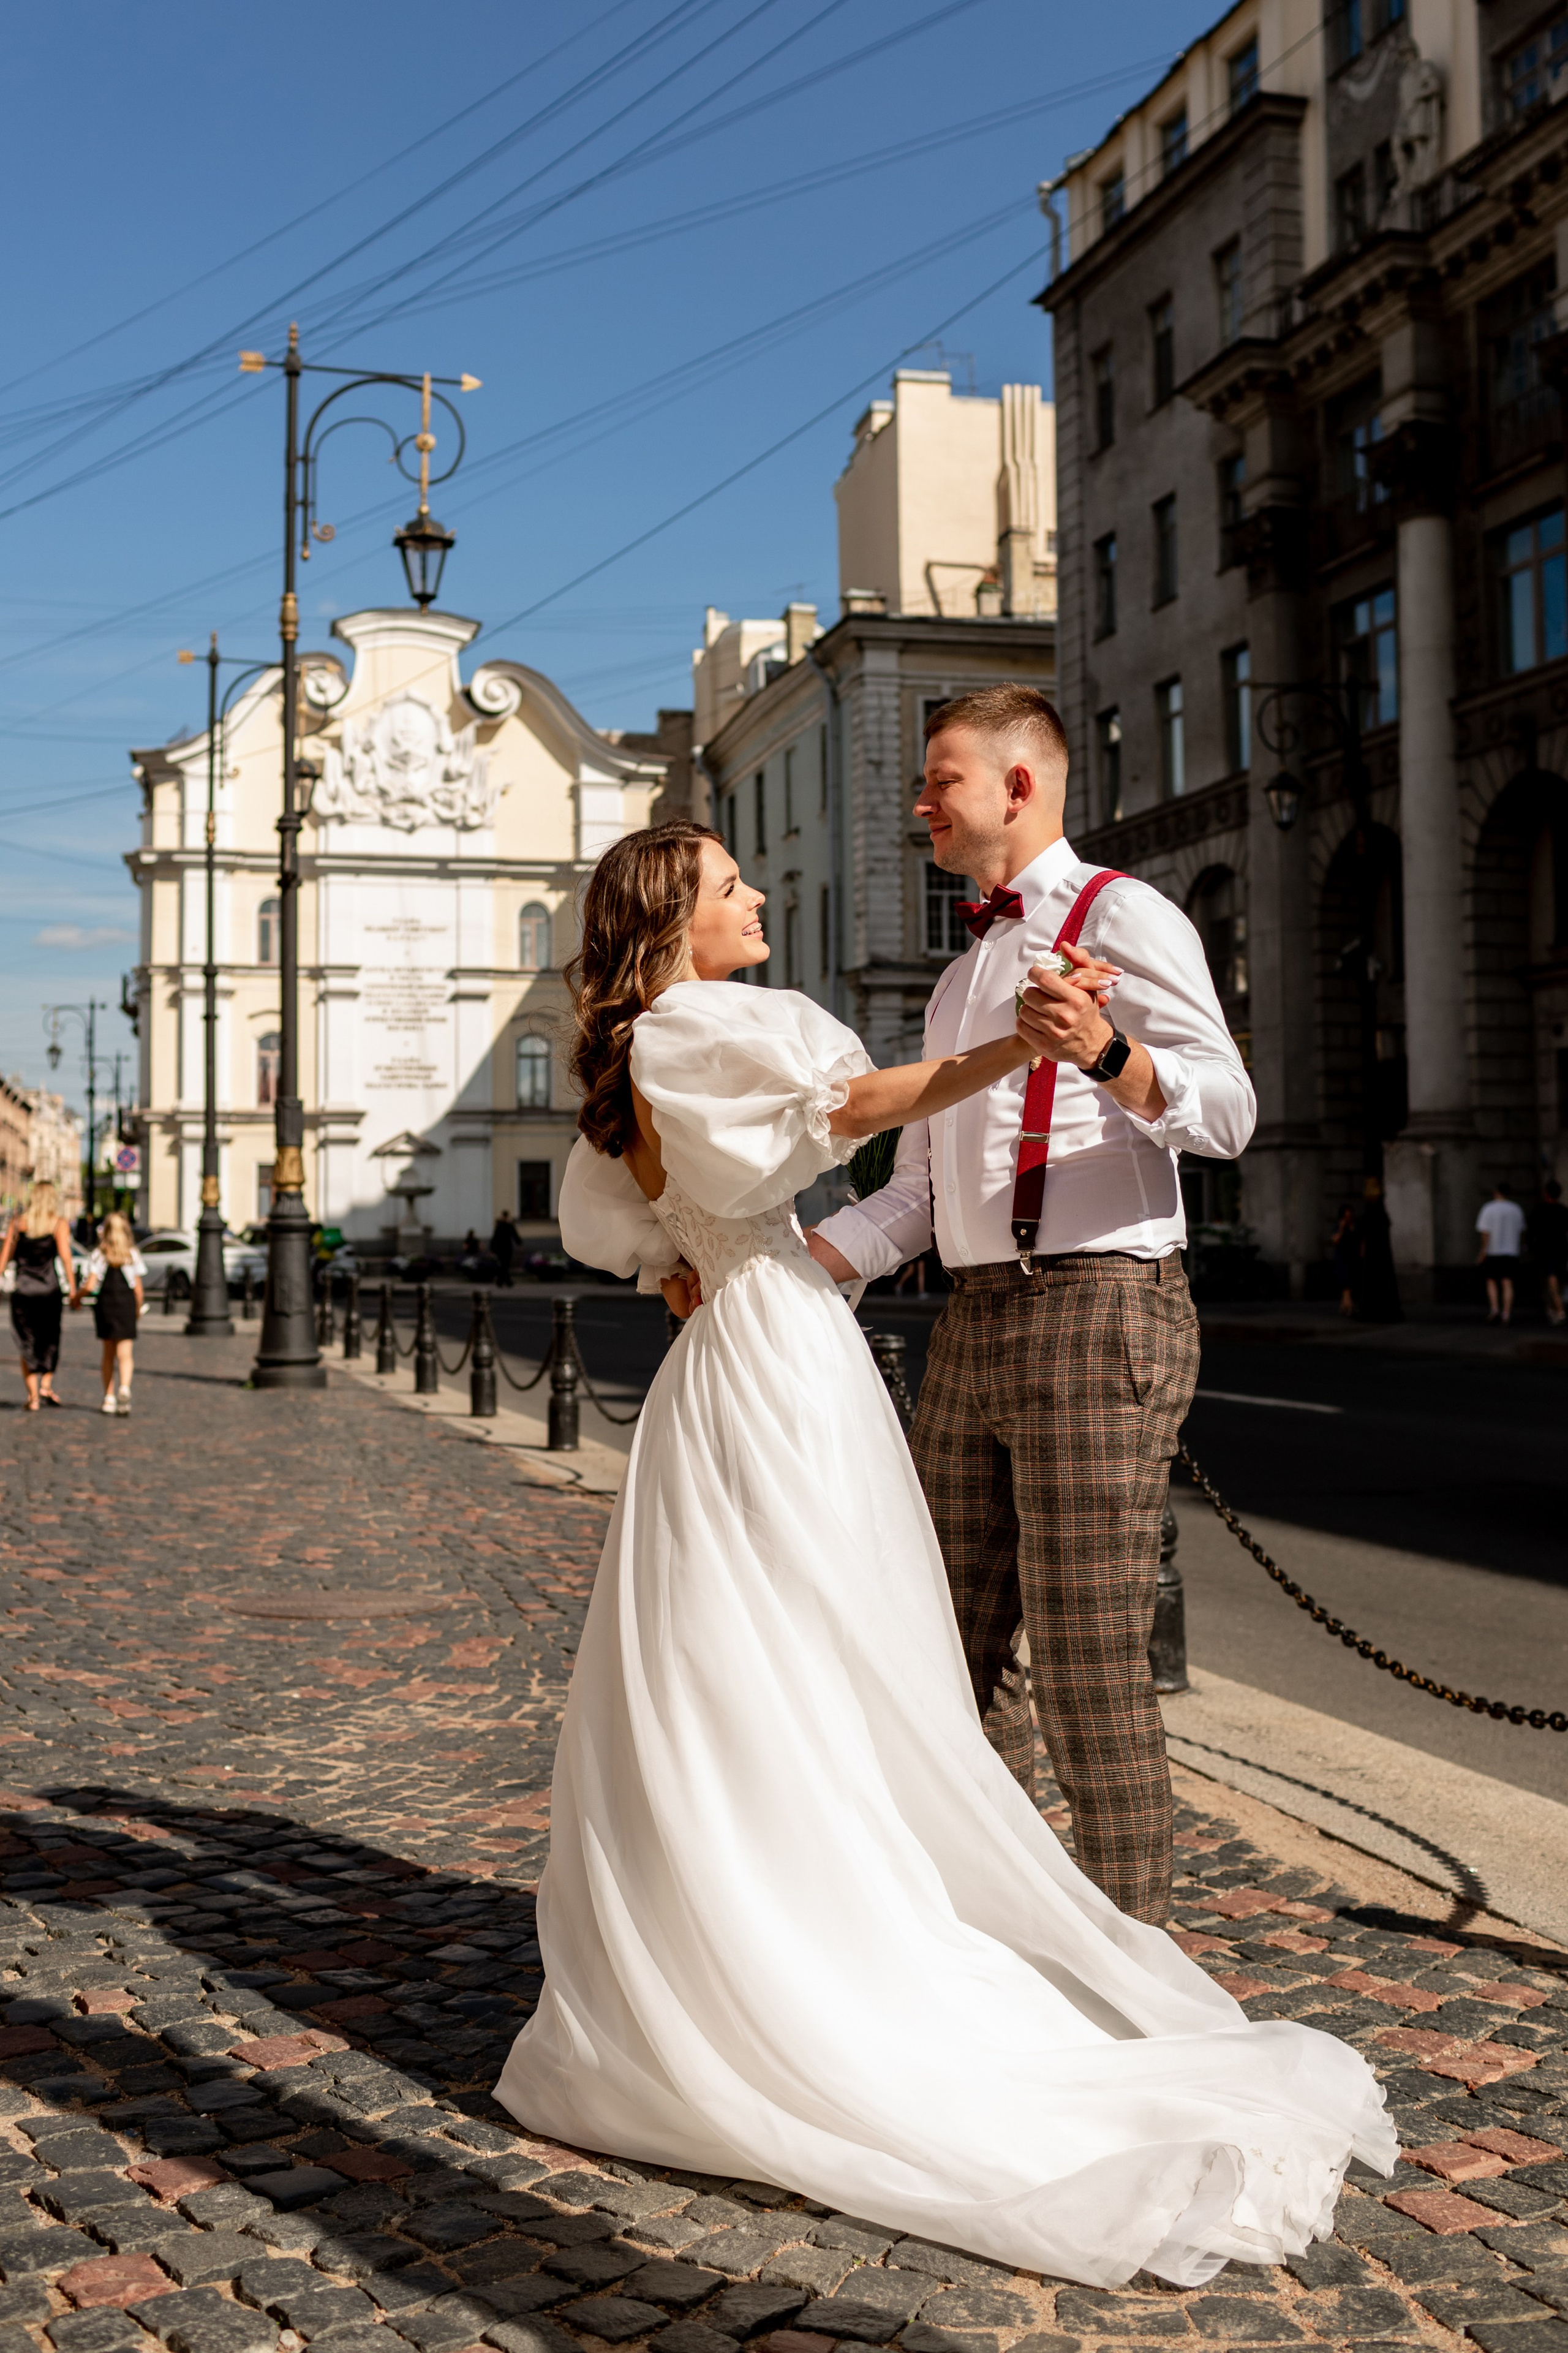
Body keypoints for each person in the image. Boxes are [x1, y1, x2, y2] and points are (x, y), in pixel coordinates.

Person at [494, 817, 1393, 2291]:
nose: (756, 894)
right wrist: (1009, 1060)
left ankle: (740, 1936)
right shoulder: (710, 1022)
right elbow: (855, 1102)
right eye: (729, 885)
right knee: (821, 1657)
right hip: (780, 1355)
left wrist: (711, 1251)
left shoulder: (641, 1049)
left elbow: (645, 1230)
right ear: (674, 920)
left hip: (728, 1344)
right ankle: (831, 1953)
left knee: (741, 1668)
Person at [808, 686, 1253, 1927]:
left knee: (1085, 1662)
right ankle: (1010, 1928)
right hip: (971, 1320)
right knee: (939, 1652)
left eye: (934, 779)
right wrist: (780, 1269)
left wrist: (1108, 1055)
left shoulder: (1127, 913)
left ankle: (1131, 1971)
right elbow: (913, 1192)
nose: (918, 806)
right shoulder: (959, 983)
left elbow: (1227, 1113)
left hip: (1099, 1306)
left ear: (1015, 785)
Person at [0, 1179, 80, 1410]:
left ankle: (33, 1397)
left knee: (27, 1342)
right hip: (49, 1290)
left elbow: (4, 1258)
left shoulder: (18, 1223)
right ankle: (46, 1384)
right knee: (49, 1339)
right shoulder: (59, 1224)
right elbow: (66, 1257)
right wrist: (73, 1289)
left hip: (23, 1291)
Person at [82, 1211, 145, 1415]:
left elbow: (91, 1285)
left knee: (108, 1353)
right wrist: (138, 1309)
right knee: (125, 1353)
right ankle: (124, 1388)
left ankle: (109, 1398)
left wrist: (77, 1296)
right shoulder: (132, 1254)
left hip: (106, 1305)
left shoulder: (100, 1254)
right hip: (125, 1305)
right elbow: (138, 1289)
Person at [1351, 1174, 1403, 1324]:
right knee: (1383, 1280)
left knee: (1373, 1281)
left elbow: (1362, 1229)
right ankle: (1383, 1310)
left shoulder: (1372, 1211)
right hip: (1381, 1254)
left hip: (1374, 1254)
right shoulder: (1380, 1211)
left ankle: (1373, 1310)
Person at [1476, 1179, 1526, 1324]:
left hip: (1493, 1251)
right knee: (1507, 1282)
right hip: (1511, 1251)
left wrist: (1482, 1252)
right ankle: (1507, 1313)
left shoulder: (1488, 1208)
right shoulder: (1516, 1209)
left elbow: (1485, 1233)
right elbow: (1522, 1231)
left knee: (1491, 1281)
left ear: (1496, 1192)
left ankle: (1495, 1309)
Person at [1528, 1179, 1567, 1326]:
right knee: (1558, 1279)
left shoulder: (1539, 1210)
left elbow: (1532, 1231)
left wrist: (1529, 1244)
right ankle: (1554, 1307)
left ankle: (1558, 1309)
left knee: (1550, 1279)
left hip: (1545, 1249)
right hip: (1561, 1249)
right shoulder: (1563, 1210)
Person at [1330, 1203, 1359, 1318]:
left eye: (1350, 1215)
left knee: (1349, 1285)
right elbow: (1335, 1240)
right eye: (1346, 1215)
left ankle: (1346, 1307)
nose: (1348, 1218)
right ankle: (1348, 1307)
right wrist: (1342, 1228)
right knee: (1345, 1284)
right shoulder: (1338, 1226)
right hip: (1342, 1257)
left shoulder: (1355, 1226)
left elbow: (1359, 1239)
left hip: (1352, 1257)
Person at [489, 1207, 518, 1288]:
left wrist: (492, 1248)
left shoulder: (501, 1226)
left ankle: (502, 1281)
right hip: (505, 1249)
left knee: (503, 1265)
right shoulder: (506, 1226)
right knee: (504, 1265)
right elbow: (515, 1235)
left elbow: (495, 1238)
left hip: (502, 1249)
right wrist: (519, 1242)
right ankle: (506, 1281)